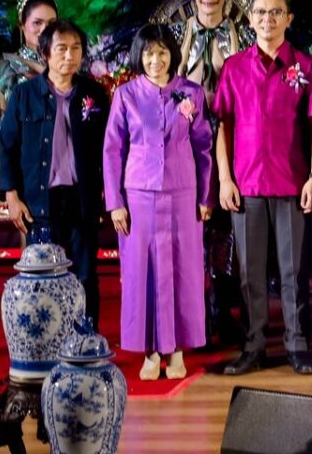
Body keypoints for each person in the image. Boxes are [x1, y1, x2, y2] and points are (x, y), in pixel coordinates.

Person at [213, 0, 312, 376]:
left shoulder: (306, 66)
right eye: (260, 12)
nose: (267, 19)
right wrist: (224, 179)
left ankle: (298, 344)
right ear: (250, 19)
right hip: (246, 186)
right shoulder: (234, 68)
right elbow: (222, 126)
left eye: (276, 12)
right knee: (250, 274)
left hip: (293, 183)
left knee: (294, 271)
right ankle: (253, 346)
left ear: (288, 18)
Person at [103, 23, 213, 380]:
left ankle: (177, 350)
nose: (155, 60)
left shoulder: (191, 93)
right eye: (149, 53)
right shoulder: (126, 95)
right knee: (142, 271)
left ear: (172, 54)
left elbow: (204, 146)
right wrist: (115, 202)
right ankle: (150, 353)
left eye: (162, 52)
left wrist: (205, 195)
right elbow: (113, 149)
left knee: (183, 270)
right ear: (140, 55)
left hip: (182, 194)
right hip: (139, 196)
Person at [0, 18, 110, 326]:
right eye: (61, 48)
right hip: (40, 201)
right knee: (42, 277)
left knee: (85, 275)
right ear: (45, 53)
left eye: (76, 48)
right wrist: (11, 195)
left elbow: (109, 147)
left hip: (81, 198)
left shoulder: (93, 94)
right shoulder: (24, 95)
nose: (69, 56)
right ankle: (44, 341)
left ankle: (86, 339)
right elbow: (7, 146)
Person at [170, 0, 249, 342]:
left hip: (234, 138)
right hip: (187, 143)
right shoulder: (175, 34)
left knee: (226, 226)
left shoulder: (244, 33)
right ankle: (193, 313)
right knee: (191, 226)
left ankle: (224, 306)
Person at [0, 0, 57, 117]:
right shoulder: (8, 64)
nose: (45, 29)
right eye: (37, 23)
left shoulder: (69, 61)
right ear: (21, 25)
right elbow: (13, 109)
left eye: (52, 23)